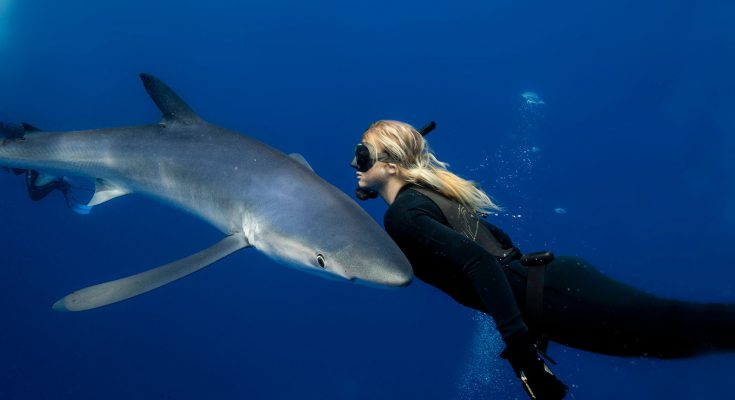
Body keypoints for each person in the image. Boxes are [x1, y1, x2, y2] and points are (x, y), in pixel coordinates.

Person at [350, 120, 735, 400]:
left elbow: (481, 264)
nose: (354, 163)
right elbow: (500, 249)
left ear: (390, 165)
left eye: (362, 153)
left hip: (555, 298)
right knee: (677, 339)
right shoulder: (429, 197)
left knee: (685, 330)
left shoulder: (403, 213)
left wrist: (523, 355)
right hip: (553, 289)